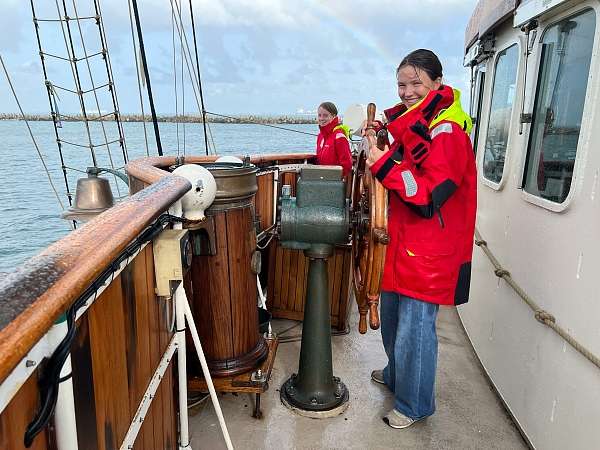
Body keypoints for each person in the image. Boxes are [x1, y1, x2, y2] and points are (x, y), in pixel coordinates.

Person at [365, 49, 477, 429]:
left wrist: (380, 163)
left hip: (430, 250)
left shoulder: (449, 132)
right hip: (402, 242)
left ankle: (414, 405)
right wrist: (381, 141)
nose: (407, 91)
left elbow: (428, 195)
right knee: (395, 319)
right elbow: (406, 163)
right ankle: (397, 375)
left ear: (437, 84)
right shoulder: (415, 123)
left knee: (415, 331)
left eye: (416, 83)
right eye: (402, 84)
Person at [315, 102, 353, 177]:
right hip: (321, 178)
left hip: (334, 182)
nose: (321, 118)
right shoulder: (320, 136)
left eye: (325, 115)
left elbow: (347, 165)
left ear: (333, 116)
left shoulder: (339, 137)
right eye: (319, 115)